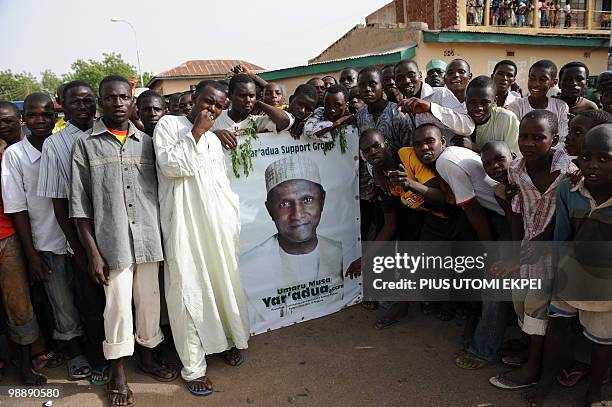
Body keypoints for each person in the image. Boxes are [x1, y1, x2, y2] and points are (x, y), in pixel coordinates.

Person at [70, 76, 174, 407]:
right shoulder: (85, 145)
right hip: (111, 243)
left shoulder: (147, 142)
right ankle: (118, 371)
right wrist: (92, 253)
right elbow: (79, 206)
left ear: (133, 101)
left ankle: (146, 356)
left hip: (147, 239)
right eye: (110, 98)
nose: (118, 103)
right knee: (116, 307)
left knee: (149, 302)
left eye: (124, 97)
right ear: (101, 102)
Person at [153, 79, 250, 396]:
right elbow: (171, 166)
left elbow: (219, 184)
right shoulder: (169, 125)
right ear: (193, 99)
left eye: (219, 106)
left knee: (223, 283)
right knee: (188, 291)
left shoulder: (212, 139)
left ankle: (228, 340)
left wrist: (229, 221)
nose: (213, 109)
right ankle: (193, 368)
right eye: (208, 102)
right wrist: (196, 131)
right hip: (184, 227)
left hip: (216, 228)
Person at [3, 92, 91, 380]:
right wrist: (31, 255)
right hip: (46, 241)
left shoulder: (70, 143)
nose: (39, 120)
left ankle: (91, 345)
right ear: (23, 119)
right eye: (33, 115)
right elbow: (17, 208)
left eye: (46, 115)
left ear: (56, 117)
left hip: (82, 237)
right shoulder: (16, 155)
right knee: (60, 301)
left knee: (87, 295)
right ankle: (74, 351)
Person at [525, 124, 612, 407]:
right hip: (570, 273)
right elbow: (562, 236)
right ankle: (547, 379)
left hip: (605, 285)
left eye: (604, 158)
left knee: (602, 340)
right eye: (586, 157)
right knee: (557, 327)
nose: (593, 165)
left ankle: (595, 391)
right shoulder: (569, 189)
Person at [489, 110, 575, 391]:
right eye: (523, 137)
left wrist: (539, 244)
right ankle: (531, 351)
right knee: (521, 301)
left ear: (554, 139)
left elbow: (567, 216)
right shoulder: (515, 169)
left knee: (537, 306)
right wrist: (516, 251)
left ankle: (533, 369)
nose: (529, 143)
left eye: (538, 137)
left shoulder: (567, 172)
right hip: (528, 246)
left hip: (554, 250)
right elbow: (516, 211)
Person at [37, 81, 110, 385]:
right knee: (90, 305)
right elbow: (58, 202)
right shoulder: (55, 145)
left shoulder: (107, 132)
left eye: (89, 101)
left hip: (114, 235)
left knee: (117, 302)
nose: (84, 106)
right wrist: (79, 250)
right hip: (83, 240)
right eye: (76, 102)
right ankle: (98, 359)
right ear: (63, 107)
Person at [241, 155, 343, 326]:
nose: (298, 214)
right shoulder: (248, 267)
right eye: (285, 204)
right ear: (269, 209)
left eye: (307, 200)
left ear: (322, 200)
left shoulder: (341, 252)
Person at [454, 141, 516, 370]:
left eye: (500, 159)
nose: (495, 167)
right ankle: (486, 345)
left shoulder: (534, 175)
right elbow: (514, 224)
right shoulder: (501, 190)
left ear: (512, 156)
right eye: (487, 164)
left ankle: (485, 347)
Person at [0, 101, 45, 386]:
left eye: (6, 120)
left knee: (19, 305)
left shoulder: (14, 155)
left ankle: (26, 364)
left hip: (9, 237)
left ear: (19, 120)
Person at [393, 59, 475, 143]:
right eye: (400, 78)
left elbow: (468, 126)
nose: (406, 81)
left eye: (411, 75)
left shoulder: (440, 94)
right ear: (395, 83)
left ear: (420, 76)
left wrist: (430, 108)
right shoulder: (397, 110)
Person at [211, 74, 293, 149]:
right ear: (230, 96)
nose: (248, 100)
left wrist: (259, 104)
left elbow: (286, 121)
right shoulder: (215, 118)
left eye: (251, 96)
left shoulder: (257, 122)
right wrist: (215, 135)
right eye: (242, 96)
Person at [508, 59, 569, 144]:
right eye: (532, 78)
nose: (536, 83)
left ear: (553, 82)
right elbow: (515, 138)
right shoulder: (516, 106)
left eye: (543, 79)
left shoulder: (560, 106)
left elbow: (563, 138)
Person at [457, 76, 520, 157]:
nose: (478, 108)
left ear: (495, 101)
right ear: (465, 100)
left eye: (484, 102)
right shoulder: (458, 120)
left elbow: (513, 157)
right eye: (472, 102)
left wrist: (475, 147)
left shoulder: (507, 119)